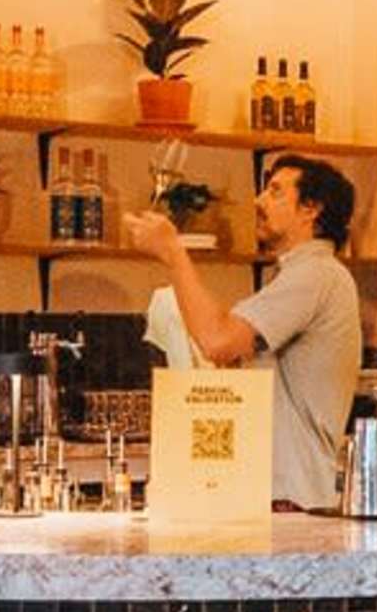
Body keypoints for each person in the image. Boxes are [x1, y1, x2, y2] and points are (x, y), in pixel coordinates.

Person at [129, 155, 364, 508]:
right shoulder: (300, 276)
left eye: (275, 191)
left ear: (310, 209)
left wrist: (173, 253)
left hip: (293, 499)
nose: (258, 200)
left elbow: (218, 340)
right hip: (285, 497)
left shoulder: (315, 274)